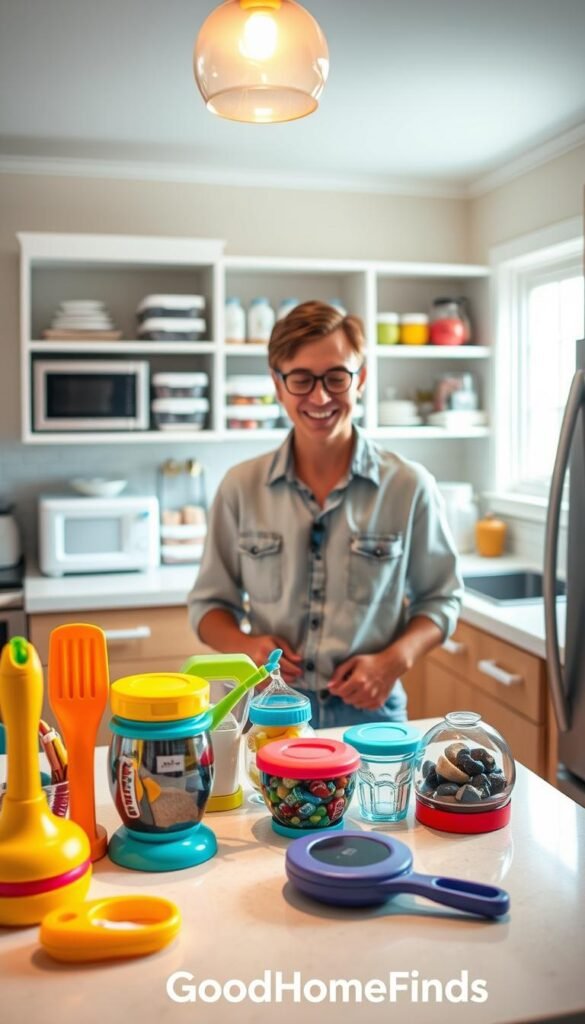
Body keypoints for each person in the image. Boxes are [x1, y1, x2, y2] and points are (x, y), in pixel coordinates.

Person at [188, 300, 462, 728]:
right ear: (277, 386)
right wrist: (247, 648)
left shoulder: (409, 486)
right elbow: (208, 607)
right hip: (265, 712)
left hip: (373, 714)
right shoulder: (240, 487)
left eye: (336, 378)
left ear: (361, 380)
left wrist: (393, 660)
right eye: (301, 379)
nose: (320, 397)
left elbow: (441, 599)